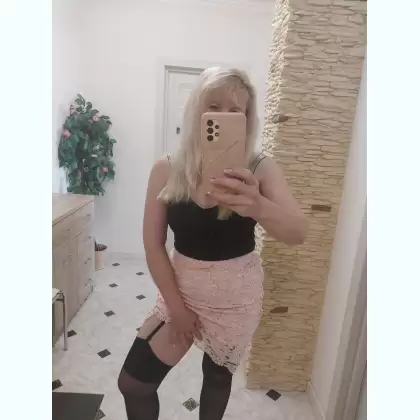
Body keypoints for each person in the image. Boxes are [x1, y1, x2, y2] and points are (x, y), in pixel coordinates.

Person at [118, 67, 308, 420]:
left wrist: (258, 205)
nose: (223, 116)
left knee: (216, 378)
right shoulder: (167, 169)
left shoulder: (259, 168)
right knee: (133, 384)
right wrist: (177, 309)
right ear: (197, 111)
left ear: (246, 119)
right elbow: (153, 245)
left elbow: (298, 232)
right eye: (214, 106)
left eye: (235, 111)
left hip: (236, 300)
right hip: (180, 292)